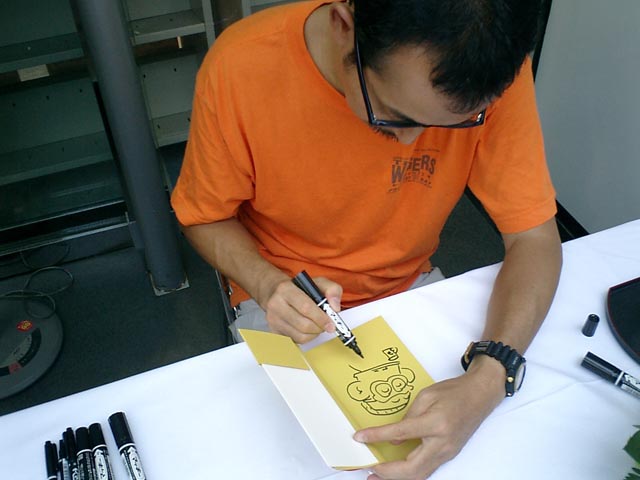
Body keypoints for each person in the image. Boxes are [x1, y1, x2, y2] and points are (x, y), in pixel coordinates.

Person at [171, 0, 562, 478]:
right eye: (393, 115)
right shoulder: (243, 64)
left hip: (410, 284)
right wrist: (267, 284)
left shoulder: (490, 64)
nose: (411, 143)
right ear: (344, 26)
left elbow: (534, 237)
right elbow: (202, 217)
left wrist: (488, 378)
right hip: (281, 294)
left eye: (454, 122)